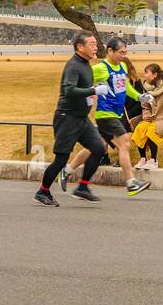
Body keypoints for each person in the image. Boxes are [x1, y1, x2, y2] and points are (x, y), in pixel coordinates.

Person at [60, 37, 151, 197]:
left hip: (117, 114)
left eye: (125, 52)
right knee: (124, 143)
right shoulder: (100, 68)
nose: (124, 56)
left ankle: (67, 171)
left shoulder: (122, 66)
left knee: (96, 146)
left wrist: (140, 97)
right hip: (105, 114)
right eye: (121, 52)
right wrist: (91, 92)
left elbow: (127, 88)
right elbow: (81, 81)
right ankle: (131, 183)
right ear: (110, 51)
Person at [34, 32, 108, 206]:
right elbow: (68, 90)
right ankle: (43, 191)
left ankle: (83, 187)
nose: (95, 46)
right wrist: (94, 91)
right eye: (91, 43)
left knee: (98, 148)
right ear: (80, 47)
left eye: (95, 43)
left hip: (82, 119)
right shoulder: (73, 66)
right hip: (67, 118)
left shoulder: (86, 64)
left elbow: (84, 87)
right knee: (61, 159)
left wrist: (94, 88)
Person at [132, 63, 163, 169]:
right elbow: (145, 107)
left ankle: (154, 160)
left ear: (155, 75)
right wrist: (147, 116)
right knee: (140, 128)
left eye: (147, 73)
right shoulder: (146, 89)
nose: (144, 75)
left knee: (151, 129)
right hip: (152, 120)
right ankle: (143, 159)